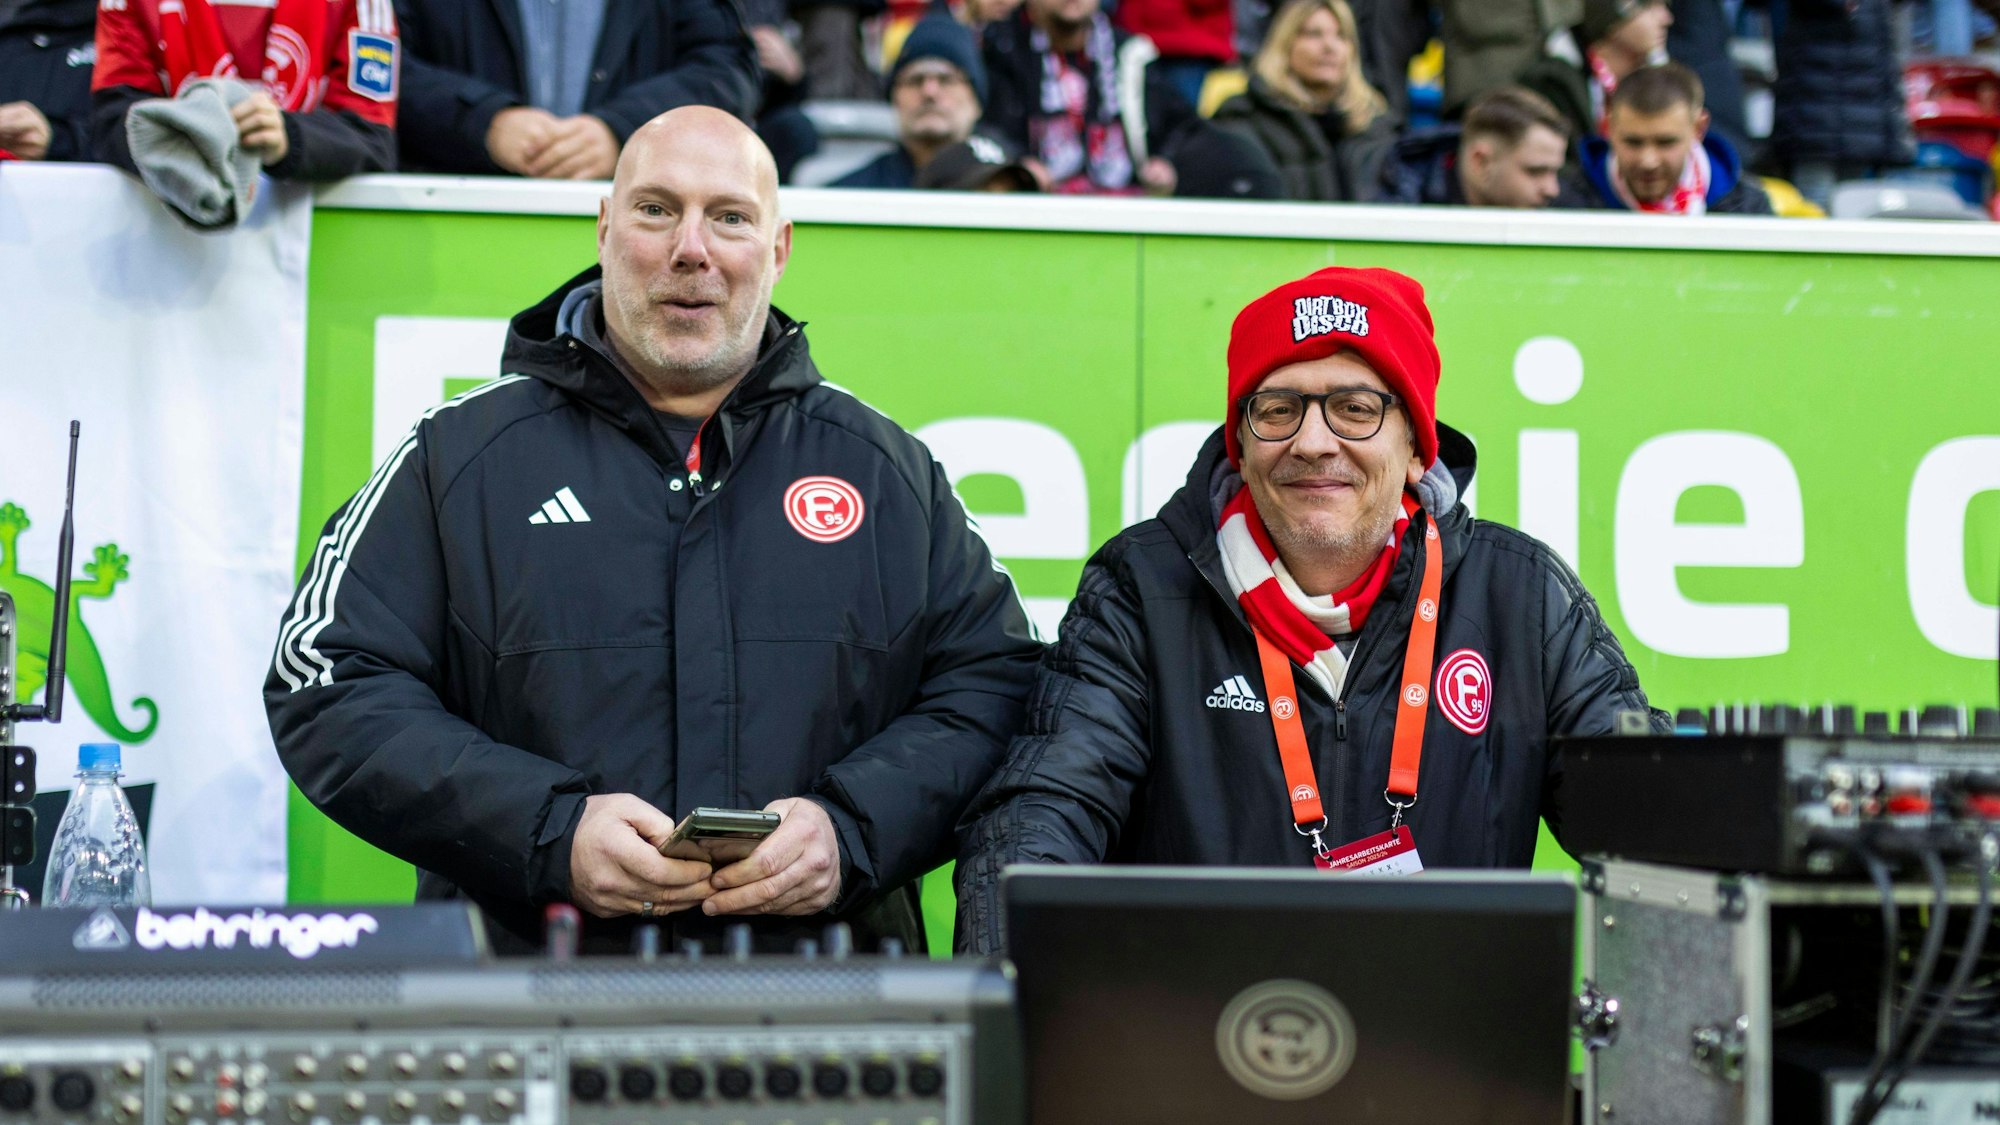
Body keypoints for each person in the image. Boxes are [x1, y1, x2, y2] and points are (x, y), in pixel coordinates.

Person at [266, 106, 1042, 956]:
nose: (692, 249)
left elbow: (1003, 687)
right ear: (604, 229)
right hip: (530, 1014)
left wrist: (851, 827)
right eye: (656, 209)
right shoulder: (458, 458)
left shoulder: (888, 472)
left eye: (730, 217)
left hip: (826, 1023)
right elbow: (328, 682)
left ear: (777, 249)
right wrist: (548, 829)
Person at [955, 265, 1668, 954]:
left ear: (1418, 447)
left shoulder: (1520, 594)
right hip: (1204, 1054)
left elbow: (1648, 814)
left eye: (1356, 408)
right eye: (1278, 408)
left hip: (1453, 1058)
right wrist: (1015, 1002)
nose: (1313, 441)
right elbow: (1041, 812)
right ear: (1241, 442)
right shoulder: (1142, 588)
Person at [390, 0, 757, 178]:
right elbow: (372, 64)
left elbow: (728, 69)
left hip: (637, 230)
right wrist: (485, 121)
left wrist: (624, 130)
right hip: (449, 217)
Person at [90, 0, 399, 179]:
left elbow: (372, 138)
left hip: (309, 253)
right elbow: (111, 125)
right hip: (172, 245)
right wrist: (194, 135)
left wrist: (290, 138)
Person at [981, 0, 1198, 194]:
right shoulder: (1002, 49)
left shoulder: (1131, 54)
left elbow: (1182, 128)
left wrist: (1166, 163)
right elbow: (985, 130)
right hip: (1037, 213)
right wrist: (1016, 163)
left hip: (1126, 213)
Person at [1210, 0, 1395, 202]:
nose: (1329, 47)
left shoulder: (1377, 127)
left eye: (1341, 35)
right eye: (1314, 34)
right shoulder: (1243, 120)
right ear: (1285, 44)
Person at [1560, 62, 1772, 215]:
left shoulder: (1747, 209)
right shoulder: (1567, 207)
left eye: (1666, 142)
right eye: (1633, 142)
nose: (1648, 161)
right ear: (1609, 127)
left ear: (1698, 128)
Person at [834, 16, 988, 188]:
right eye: (915, 80)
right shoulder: (851, 196)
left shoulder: (1008, 190)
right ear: (894, 98)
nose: (930, 92)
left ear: (976, 101)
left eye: (946, 79)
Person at [1377, 85, 1572, 208]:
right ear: (1480, 162)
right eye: (1535, 171)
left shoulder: (1571, 204)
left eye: (1555, 172)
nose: (1552, 189)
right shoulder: (1399, 201)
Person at [1516, 0, 1672, 148]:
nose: (1667, 19)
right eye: (1649, 7)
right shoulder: (1553, 85)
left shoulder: (1664, 80)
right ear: (1612, 22)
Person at [0, 0, 94, 162]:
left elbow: (142, 140)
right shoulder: (10, 37)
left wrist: (59, 142)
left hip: (102, 184)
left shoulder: (135, 29)